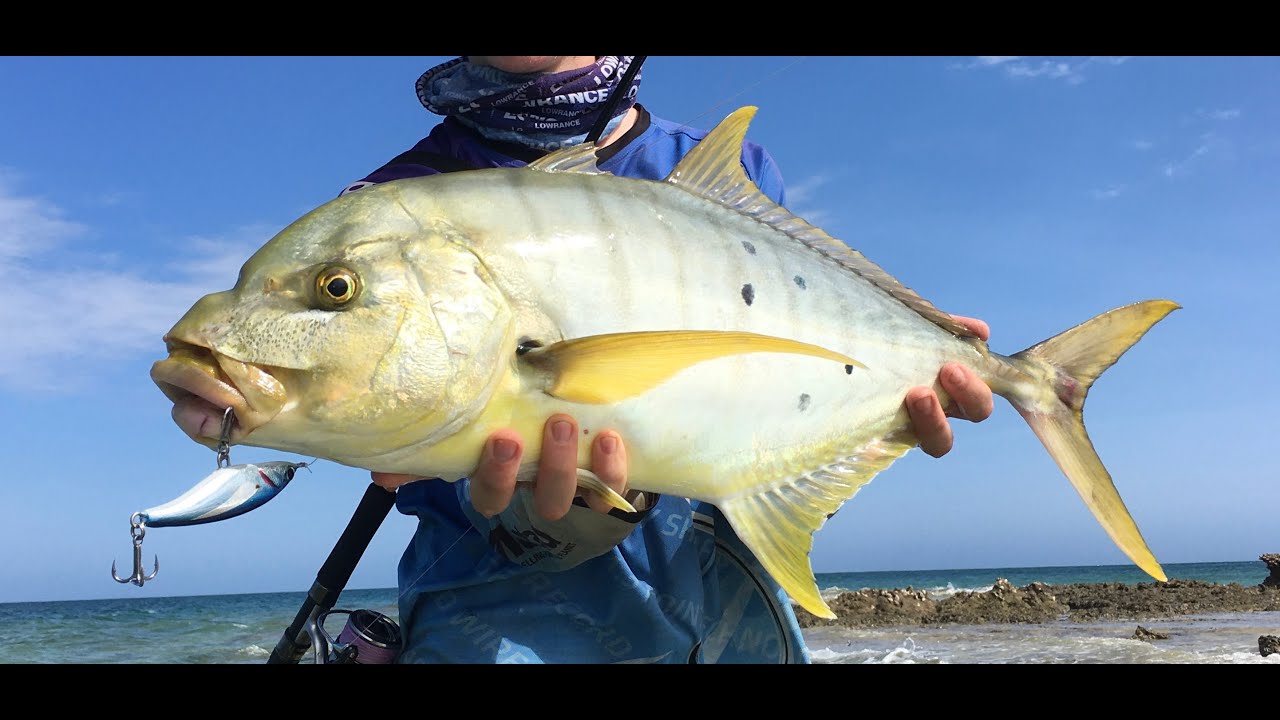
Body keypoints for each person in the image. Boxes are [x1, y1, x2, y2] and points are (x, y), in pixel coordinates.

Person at [341, 56, 994, 663]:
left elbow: (771, 409)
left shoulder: (732, 170)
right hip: (505, 628)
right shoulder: (385, 212)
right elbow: (408, 446)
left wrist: (871, 427)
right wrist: (535, 523)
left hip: (736, 614)